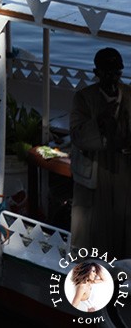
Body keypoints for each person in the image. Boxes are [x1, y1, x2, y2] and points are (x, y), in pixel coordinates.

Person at [69, 47, 131, 258]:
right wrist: (99, 124)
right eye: (107, 73)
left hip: (123, 170)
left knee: (123, 223)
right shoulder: (84, 98)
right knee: (93, 227)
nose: (112, 78)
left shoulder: (129, 95)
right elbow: (78, 136)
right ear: (97, 73)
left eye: (116, 73)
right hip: (96, 170)